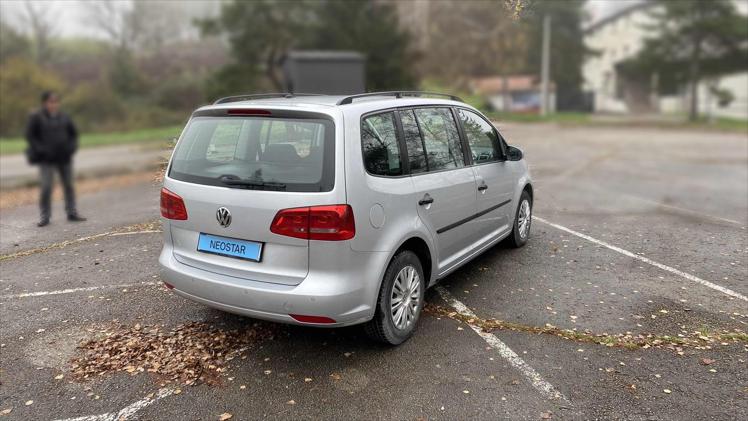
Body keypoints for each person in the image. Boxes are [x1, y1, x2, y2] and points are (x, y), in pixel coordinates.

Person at [25, 91, 86, 227]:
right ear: (44, 103)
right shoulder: (37, 117)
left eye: (56, 102)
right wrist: (40, 150)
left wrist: (71, 148)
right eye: (50, 102)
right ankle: (45, 216)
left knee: (69, 185)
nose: (53, 104)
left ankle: (72, 212)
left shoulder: (65, 117)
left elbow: (73, 135)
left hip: (64, 157)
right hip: (46, 159)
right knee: (46, 187)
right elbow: (30, 136)